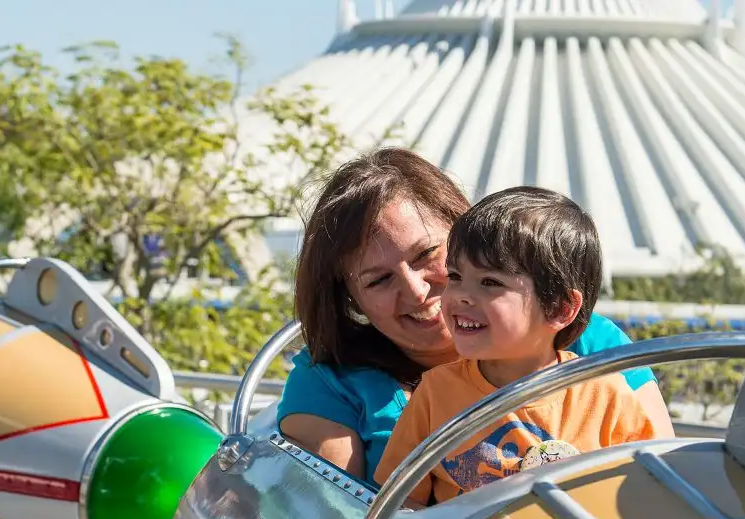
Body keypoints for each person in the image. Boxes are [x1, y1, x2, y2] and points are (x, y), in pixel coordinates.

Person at [277, 147, 674, 483]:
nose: (416, 290)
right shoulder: (329, 382)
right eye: (379, 280)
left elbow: (661, 478)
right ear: (349, 298)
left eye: (428, 255)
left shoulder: (593, 345)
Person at [373, 186, 657, 506]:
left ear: (560, 308)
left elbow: (645, 496)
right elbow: (401, 503)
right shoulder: (436, 393)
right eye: (455, 275)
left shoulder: (606, 395)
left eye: (490, 282)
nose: (461, 295)